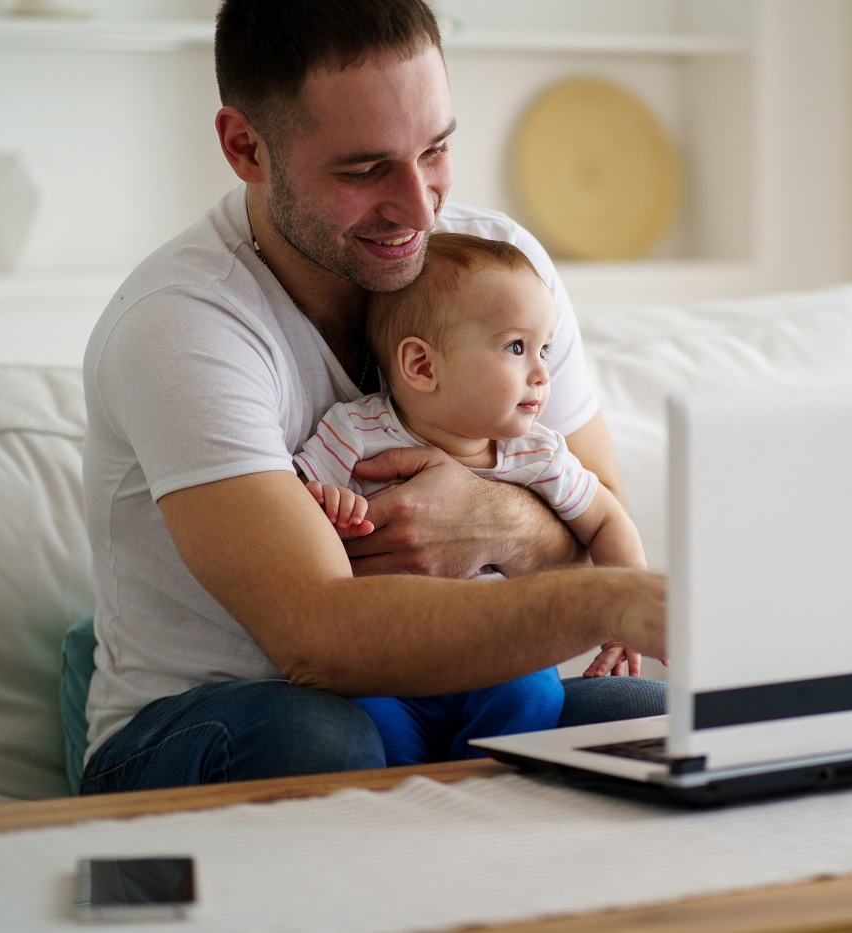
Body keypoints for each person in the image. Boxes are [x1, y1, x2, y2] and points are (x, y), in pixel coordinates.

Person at [77, 0, 665, 794]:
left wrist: (490, 521)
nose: (421, 208)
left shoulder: (498, 273)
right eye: (364, 170)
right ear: (246, 147)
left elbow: (601, 515)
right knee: (324, 737)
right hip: (218, 714)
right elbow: (318, 638)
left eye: (436, 149)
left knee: (652, 718)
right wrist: (607, 597)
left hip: (455, 687)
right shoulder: (182, 325)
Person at [297, 232, 647, 765]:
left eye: (544, 349)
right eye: (515, 347)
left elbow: (606, 520)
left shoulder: (537, 454)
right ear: (422, 366)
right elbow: (291, 506)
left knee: (533, 688)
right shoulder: (355, 433)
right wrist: (326, 503)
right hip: (387, 664)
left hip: (492, 655)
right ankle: (415, 810)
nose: (541, 372)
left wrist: (628, 608)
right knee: (361, 723)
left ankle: (489, 793)